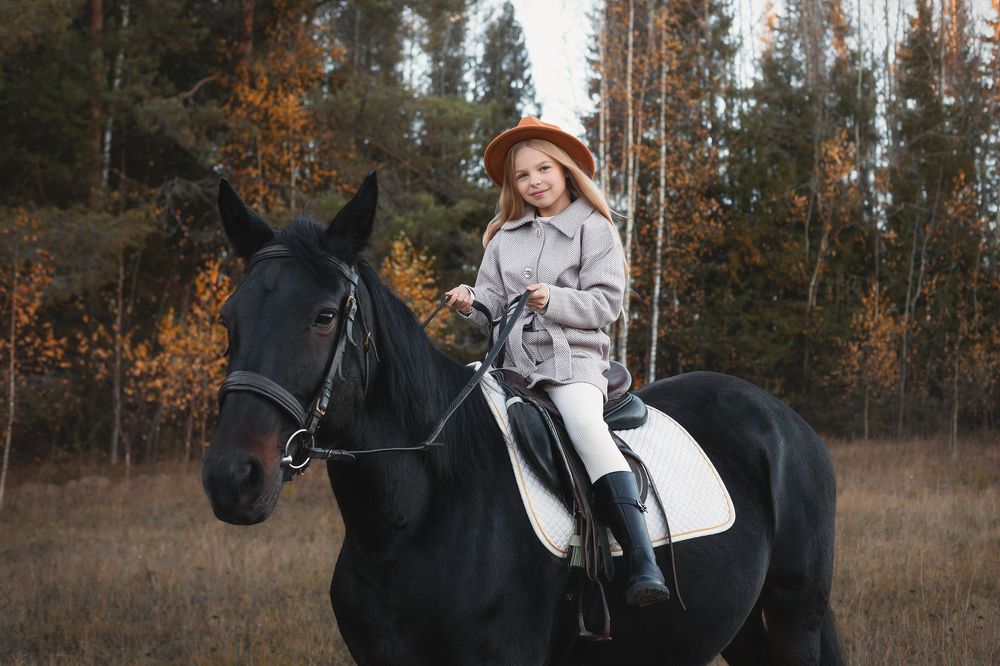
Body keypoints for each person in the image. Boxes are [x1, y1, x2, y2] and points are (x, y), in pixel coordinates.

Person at [445, 116, 670, 607]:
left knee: (586, 429)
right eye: (522, 176)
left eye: (543, 168)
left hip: (573, 364)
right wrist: (470, 303)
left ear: (566, 169)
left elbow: (606, 304)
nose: (534, 182)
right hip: (512, 365)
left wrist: (555, 301)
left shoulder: (595, 228)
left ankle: (641, 559)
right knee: (455, 406)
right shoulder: (504, 238)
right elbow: (491, 308)